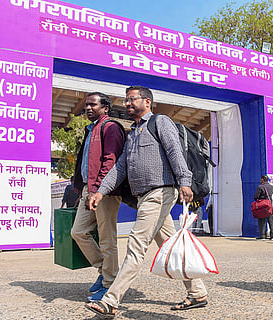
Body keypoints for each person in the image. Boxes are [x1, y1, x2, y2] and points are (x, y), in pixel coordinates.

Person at [85, 85, 208, 317]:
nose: (128, 104)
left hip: (160, 192)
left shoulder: (159, 122)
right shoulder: (132, 134)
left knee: (136, 244)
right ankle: (197, 292)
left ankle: (111, 299)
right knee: (170, 247)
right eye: (126, 100)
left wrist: (184, 181)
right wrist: (101, 191)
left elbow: (174, 151)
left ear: (147, 102)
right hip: (145, 197)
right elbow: (120, 167)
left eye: (132, 99)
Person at [71, 92, 126, 302]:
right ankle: (105, 270)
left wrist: (99, 190)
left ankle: (110, 283)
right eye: (86, 105)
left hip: (105, 191)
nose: (88, 108)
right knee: (79, 232)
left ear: (105, 108)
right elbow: (87, 164)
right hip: (89, 189)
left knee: (107, 238)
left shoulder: (110, 127)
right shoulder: (91, 129)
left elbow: (110, 161)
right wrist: (83, 190)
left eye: (93, 105)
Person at [254, 175, 273, 240]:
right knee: (271, 221)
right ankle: (272, 236)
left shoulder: (260, 187)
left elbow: (256, 196)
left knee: (262, 220)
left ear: (262, 179)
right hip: (269, 205)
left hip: (262, 206)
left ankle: (262, 236)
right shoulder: (271, 186)